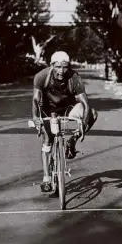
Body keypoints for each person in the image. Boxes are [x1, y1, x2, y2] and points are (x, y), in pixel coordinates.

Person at [32, 51, 98, 192]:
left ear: (69, 67)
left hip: (68, 109)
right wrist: (36, 117)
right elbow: (36, 99)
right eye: (57, 67)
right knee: (47, 142)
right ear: (51, 66)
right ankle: (46, 178)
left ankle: (71, 142)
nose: (61, 71)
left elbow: (85, 104)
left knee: (92, 113)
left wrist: (82, 128)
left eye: (64, 67)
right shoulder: (41, 76)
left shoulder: (74, 78)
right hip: (48, 111)